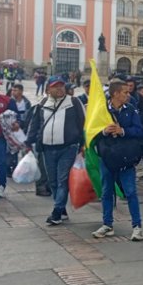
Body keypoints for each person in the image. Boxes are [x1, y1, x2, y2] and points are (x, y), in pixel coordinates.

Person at [25, 76, 86, 225]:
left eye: (62, 86)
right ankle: (61, 207)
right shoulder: (43, 104)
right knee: (52, 181)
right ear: (49, 89)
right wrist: (29, 142)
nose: (59, 89)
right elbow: (35, 124)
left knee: (62, 180)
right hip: (47, 148)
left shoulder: (74, 102)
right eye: (55, 86)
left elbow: (84, 123)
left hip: (68, 147)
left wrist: (83, 144)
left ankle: (57, 212)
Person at [91, 80, 143, 241]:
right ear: (115, 94)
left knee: (130, 192)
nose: (128, 95)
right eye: (125, 92)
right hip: (107, 156)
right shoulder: (101, 110)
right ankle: (107, 224)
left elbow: (139, 130)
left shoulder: (131, 110)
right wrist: (104, 131)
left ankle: (137, 226)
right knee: (107, 191)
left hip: (125, 157)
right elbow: (91, 130)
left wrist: (122, 131)